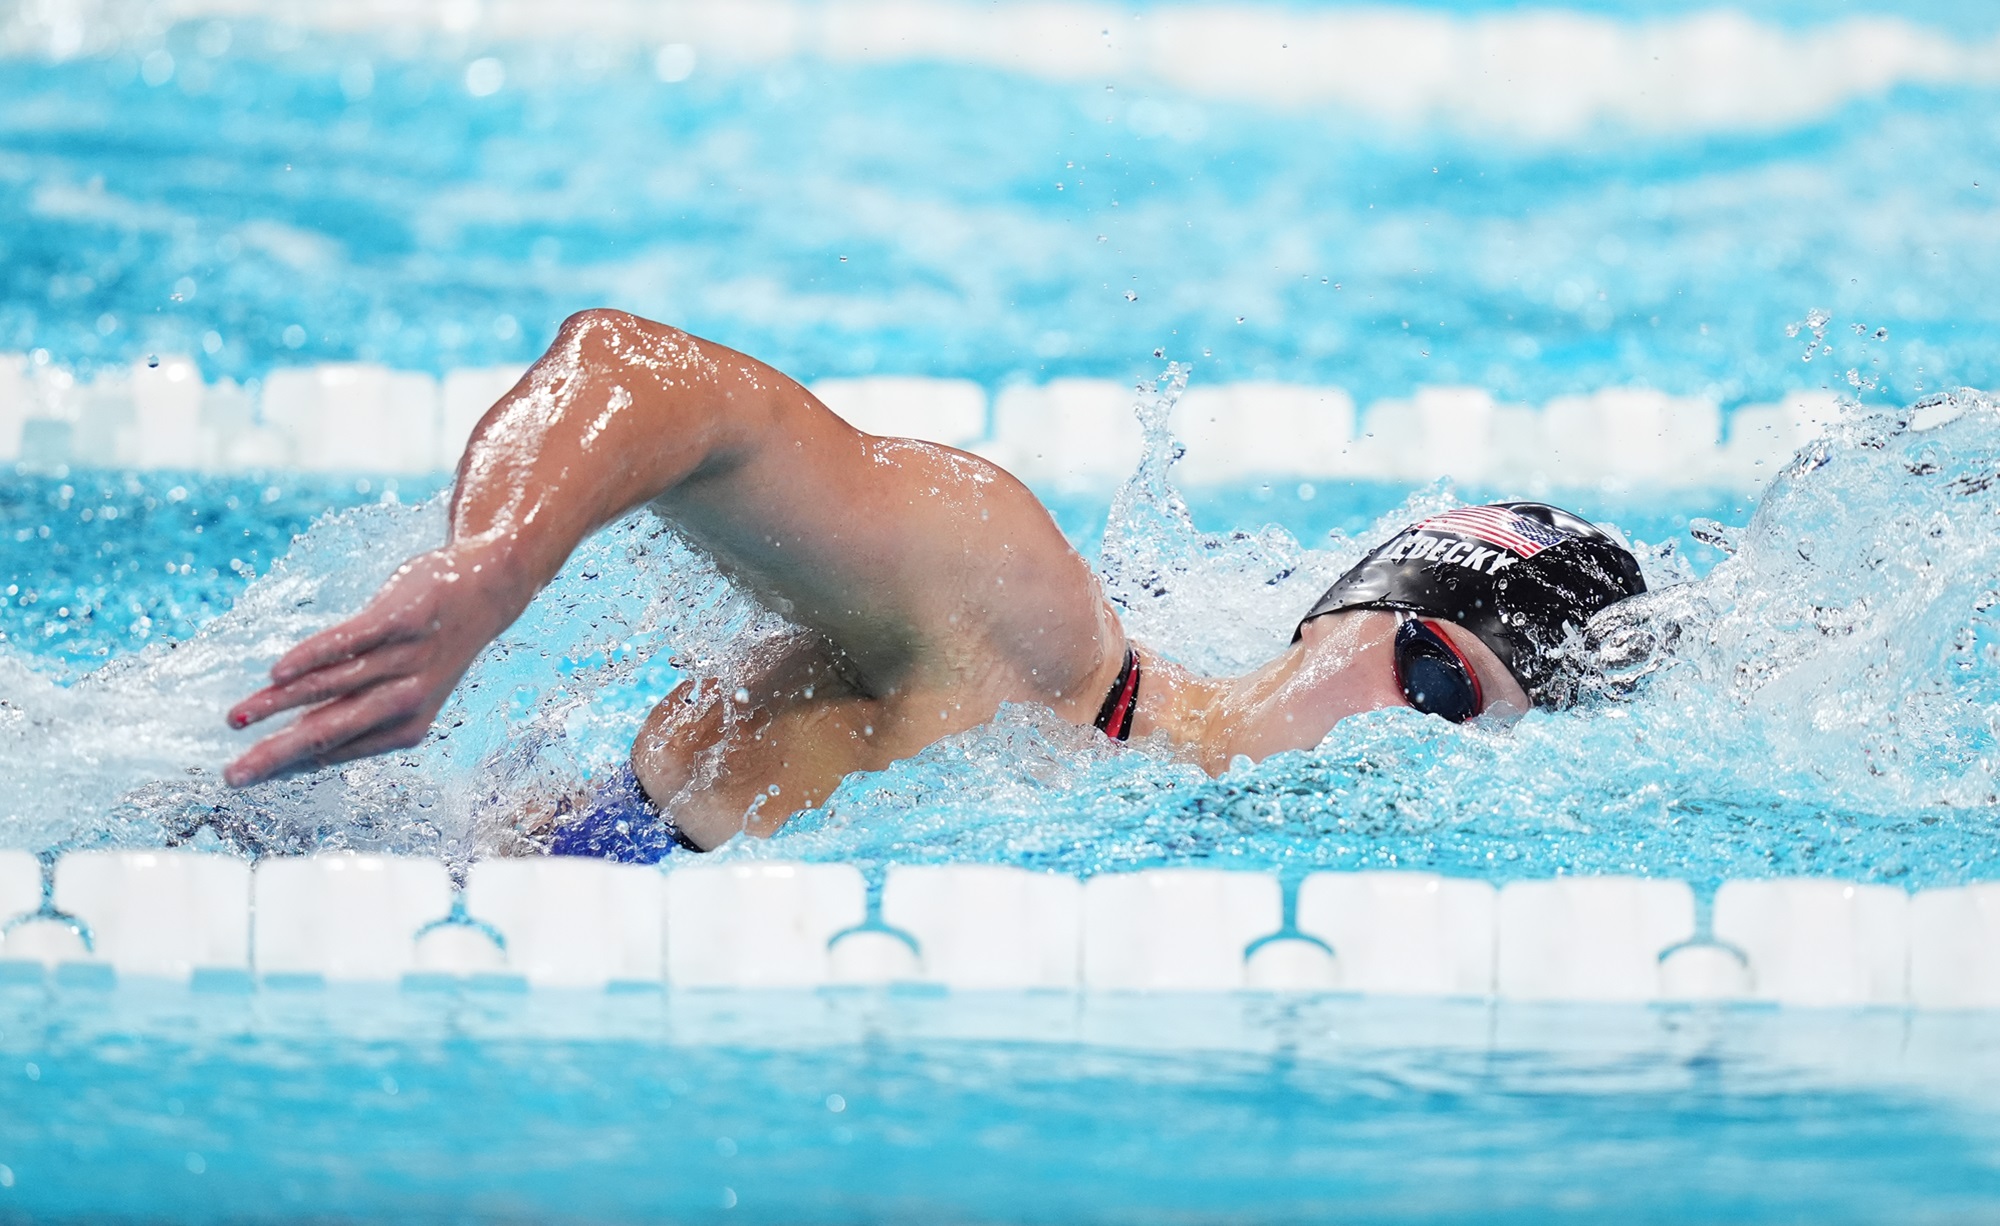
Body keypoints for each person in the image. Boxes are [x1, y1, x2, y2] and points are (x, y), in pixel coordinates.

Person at [223, 310, 1646, 858]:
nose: (1419, 747)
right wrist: (495, 566)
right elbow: (640, 373)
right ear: (1340, 619)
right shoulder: (1027, 634)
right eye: (1439, 680)